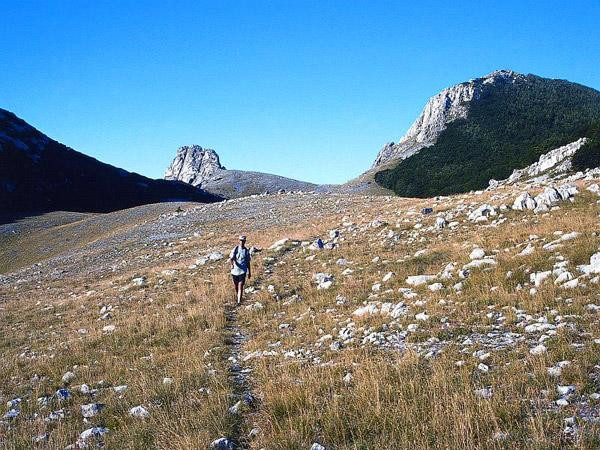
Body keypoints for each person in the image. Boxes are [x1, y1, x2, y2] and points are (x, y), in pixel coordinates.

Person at [229, 235, 251, 304]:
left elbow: (248, 262)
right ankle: (238, 295)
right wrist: (232, 264)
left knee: (240, 285)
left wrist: (249, 272)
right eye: (241, 240)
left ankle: (239, 301)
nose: (242, 242)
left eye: (243, 241)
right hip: (235, 271)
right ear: (239, 241)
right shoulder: (235, 249)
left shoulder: (246, 251)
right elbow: (231, 258)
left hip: (242, 271)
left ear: (245, 241)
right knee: (236, 286)